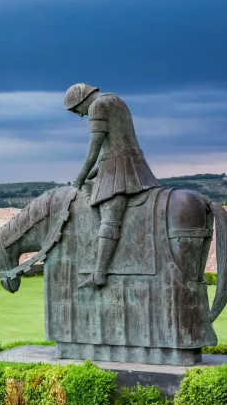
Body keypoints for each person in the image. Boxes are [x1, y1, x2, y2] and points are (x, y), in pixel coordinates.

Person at [64, 83, 160, 288]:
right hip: (130, 164)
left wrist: (81, 176)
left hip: (120, 171)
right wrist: (90, 175)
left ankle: (99, 273)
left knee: (109, 220)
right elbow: (112, 151)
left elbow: (94, 150)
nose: (79, 115)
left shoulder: (96, 106)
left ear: (81, 100)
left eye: (75, 110)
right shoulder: (115, 99)